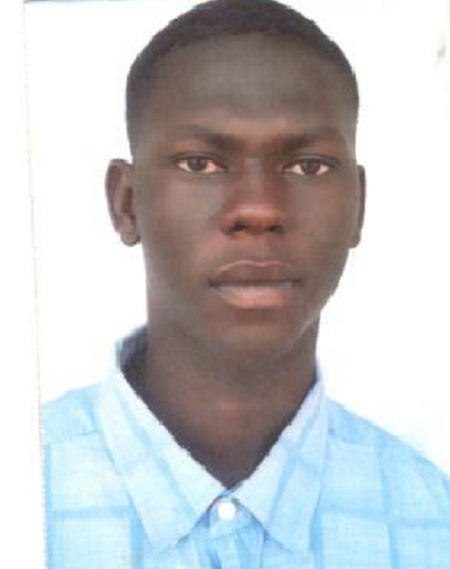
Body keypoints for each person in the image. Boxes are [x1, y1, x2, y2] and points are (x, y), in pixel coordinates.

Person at [43, 0, 450, 567]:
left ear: (359, 206)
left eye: (308, 166)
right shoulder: (23, 490)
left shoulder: (435, 519)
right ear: (126, 203)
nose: (258, 210)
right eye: (201, 164)